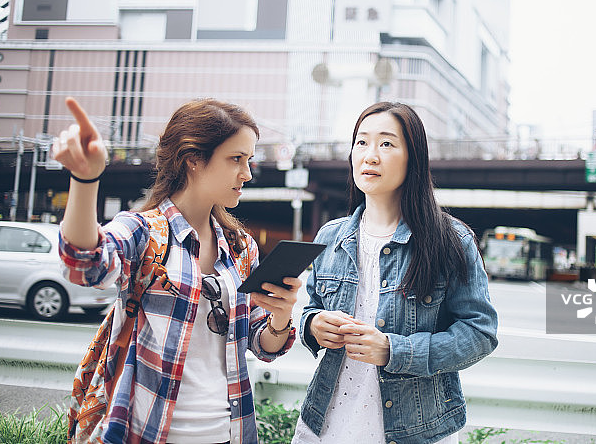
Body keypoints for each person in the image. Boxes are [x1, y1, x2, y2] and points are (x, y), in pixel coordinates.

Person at [53, 97, 301, 444]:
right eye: (236, 159)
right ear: (193, 160)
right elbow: (85, 264)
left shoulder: (241, 247)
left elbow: (262, 345)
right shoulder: (146, 231)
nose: (247, 173)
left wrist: (279, 316)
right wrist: (85, 178)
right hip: (148, 431)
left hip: (227, 432)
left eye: (249, 161)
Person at [292, 102, 499, 444]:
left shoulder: (450, 240)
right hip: (325, 426)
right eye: (361, 142)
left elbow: (480, 333)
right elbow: (310, 308)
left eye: (386, 144)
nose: (370, 155)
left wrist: (394, 350)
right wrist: (313, 326)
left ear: (413, 158)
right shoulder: (331, 236)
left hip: (416, 431)